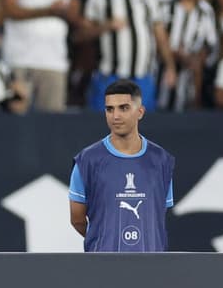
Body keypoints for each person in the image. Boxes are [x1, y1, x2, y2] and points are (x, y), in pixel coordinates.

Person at [69, 79, 174, 252]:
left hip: (152, 269)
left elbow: (157, 214)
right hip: (103, 270)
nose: (115, 116)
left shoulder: (161, 160)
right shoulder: (87, 160)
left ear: (140, 112)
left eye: (123, 108)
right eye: (109, 109)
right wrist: (104, 241)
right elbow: (77, 219)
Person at [81, 0, 177, 112]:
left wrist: (170, 65)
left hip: (143, 77)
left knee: (143, 126)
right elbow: (82, 33)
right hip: (110, 77)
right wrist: (106, 26)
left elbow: (159, 33)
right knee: (106, 126)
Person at [0, 0, 81, 112]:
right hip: (18, 59)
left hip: (54, 61)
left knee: (53, 122)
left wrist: (60, 10)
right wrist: (48, 10)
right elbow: (9, 9)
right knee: (14, 116)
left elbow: (74, 14)